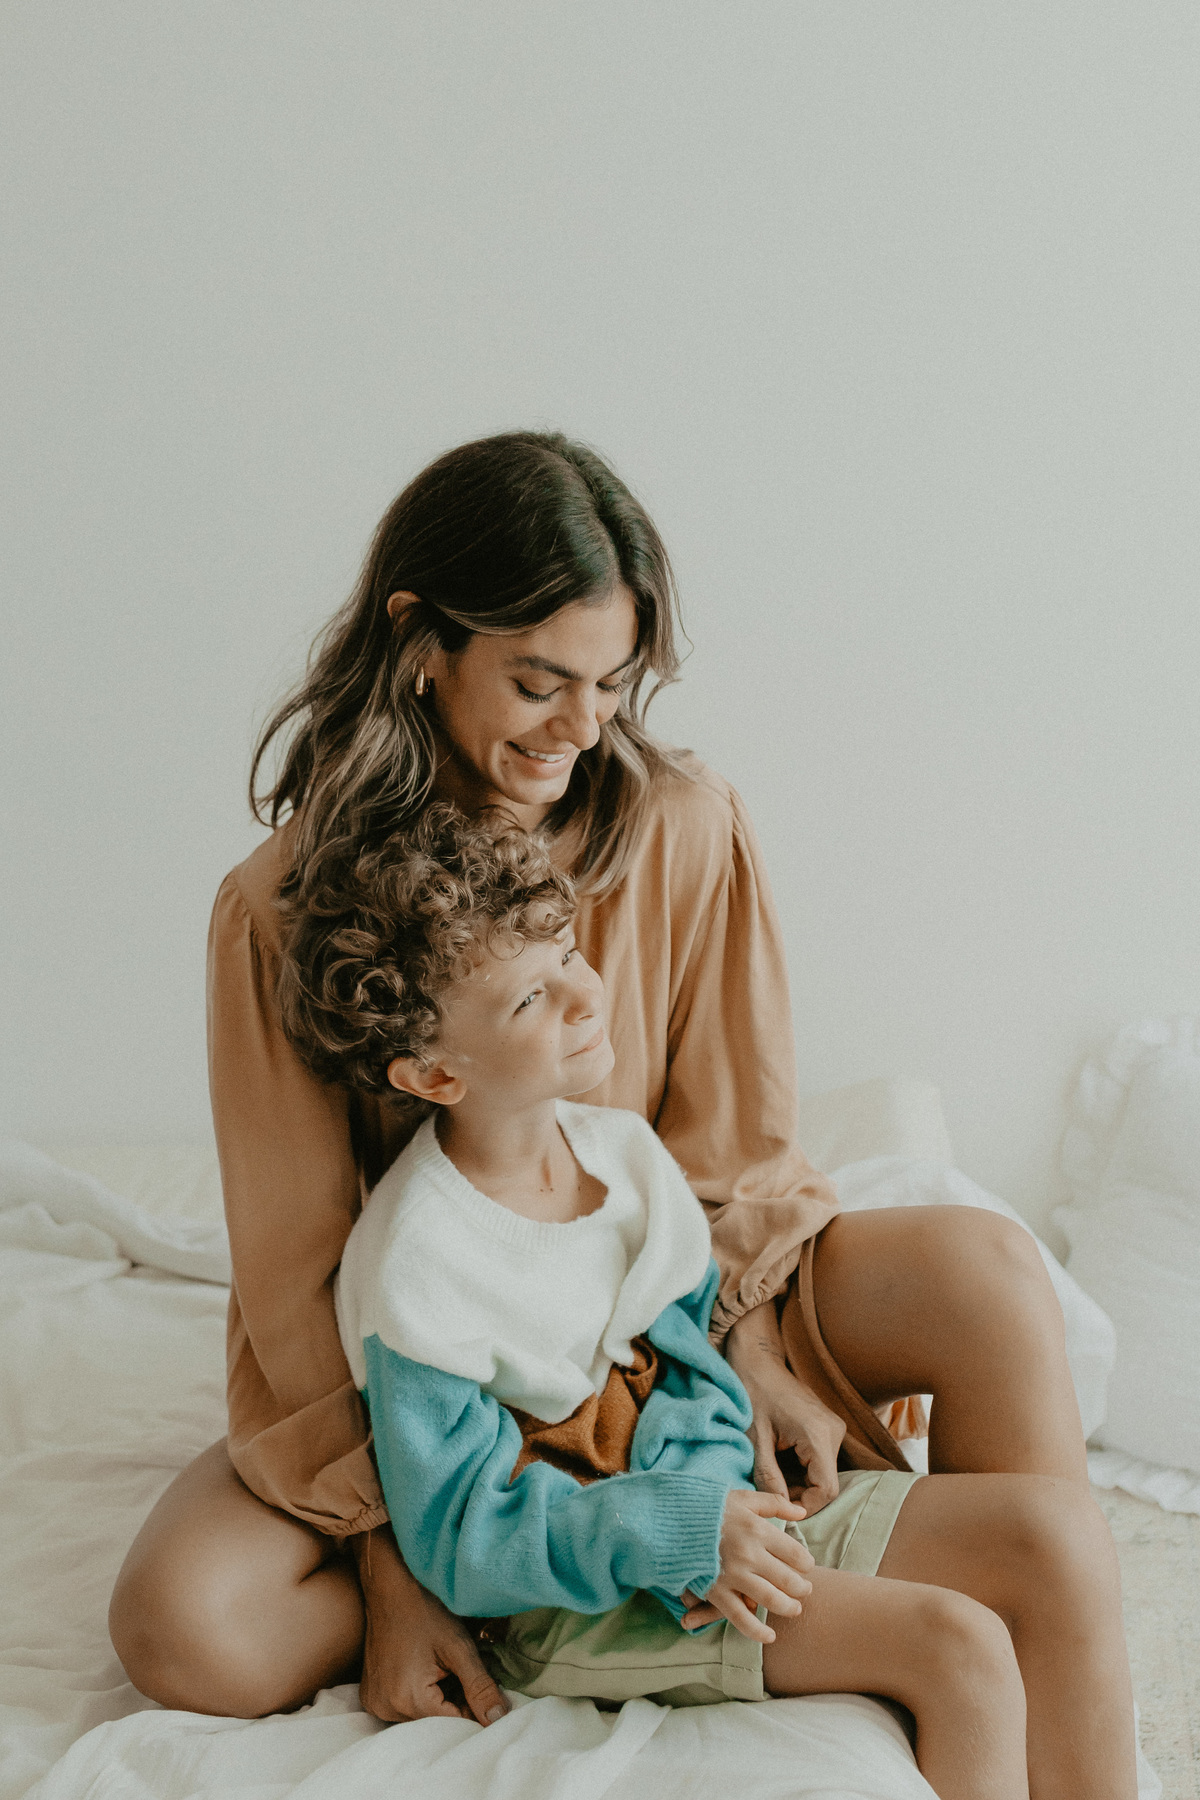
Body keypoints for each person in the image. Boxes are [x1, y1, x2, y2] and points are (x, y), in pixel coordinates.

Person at [107, 432, 1135, 1796]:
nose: (580, 728)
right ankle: (532, 1569)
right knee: (181, 1625)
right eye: (539, 682)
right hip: (441, 1373)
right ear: (421, 642)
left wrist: (746, 1349)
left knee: (988, 1275)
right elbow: (300, 1281)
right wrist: (395, 1562)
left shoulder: (683, 826)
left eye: (610, 684)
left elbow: (735, 1158)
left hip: (664, 1304)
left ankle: (996, 1634)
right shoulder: (282, 910)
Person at [285, 803, 1036, 1800]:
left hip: (712, 1523)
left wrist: (720, 1500)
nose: (583, 997)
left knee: (1053, 1536)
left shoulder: (624, 1157)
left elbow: (691, 1370)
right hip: (574, 1603)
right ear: (433, 1072)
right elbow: (463, 1538)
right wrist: (683, 1532)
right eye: (531, 998)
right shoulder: (417, 1266)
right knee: (957, 1643)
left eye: (568, 955)